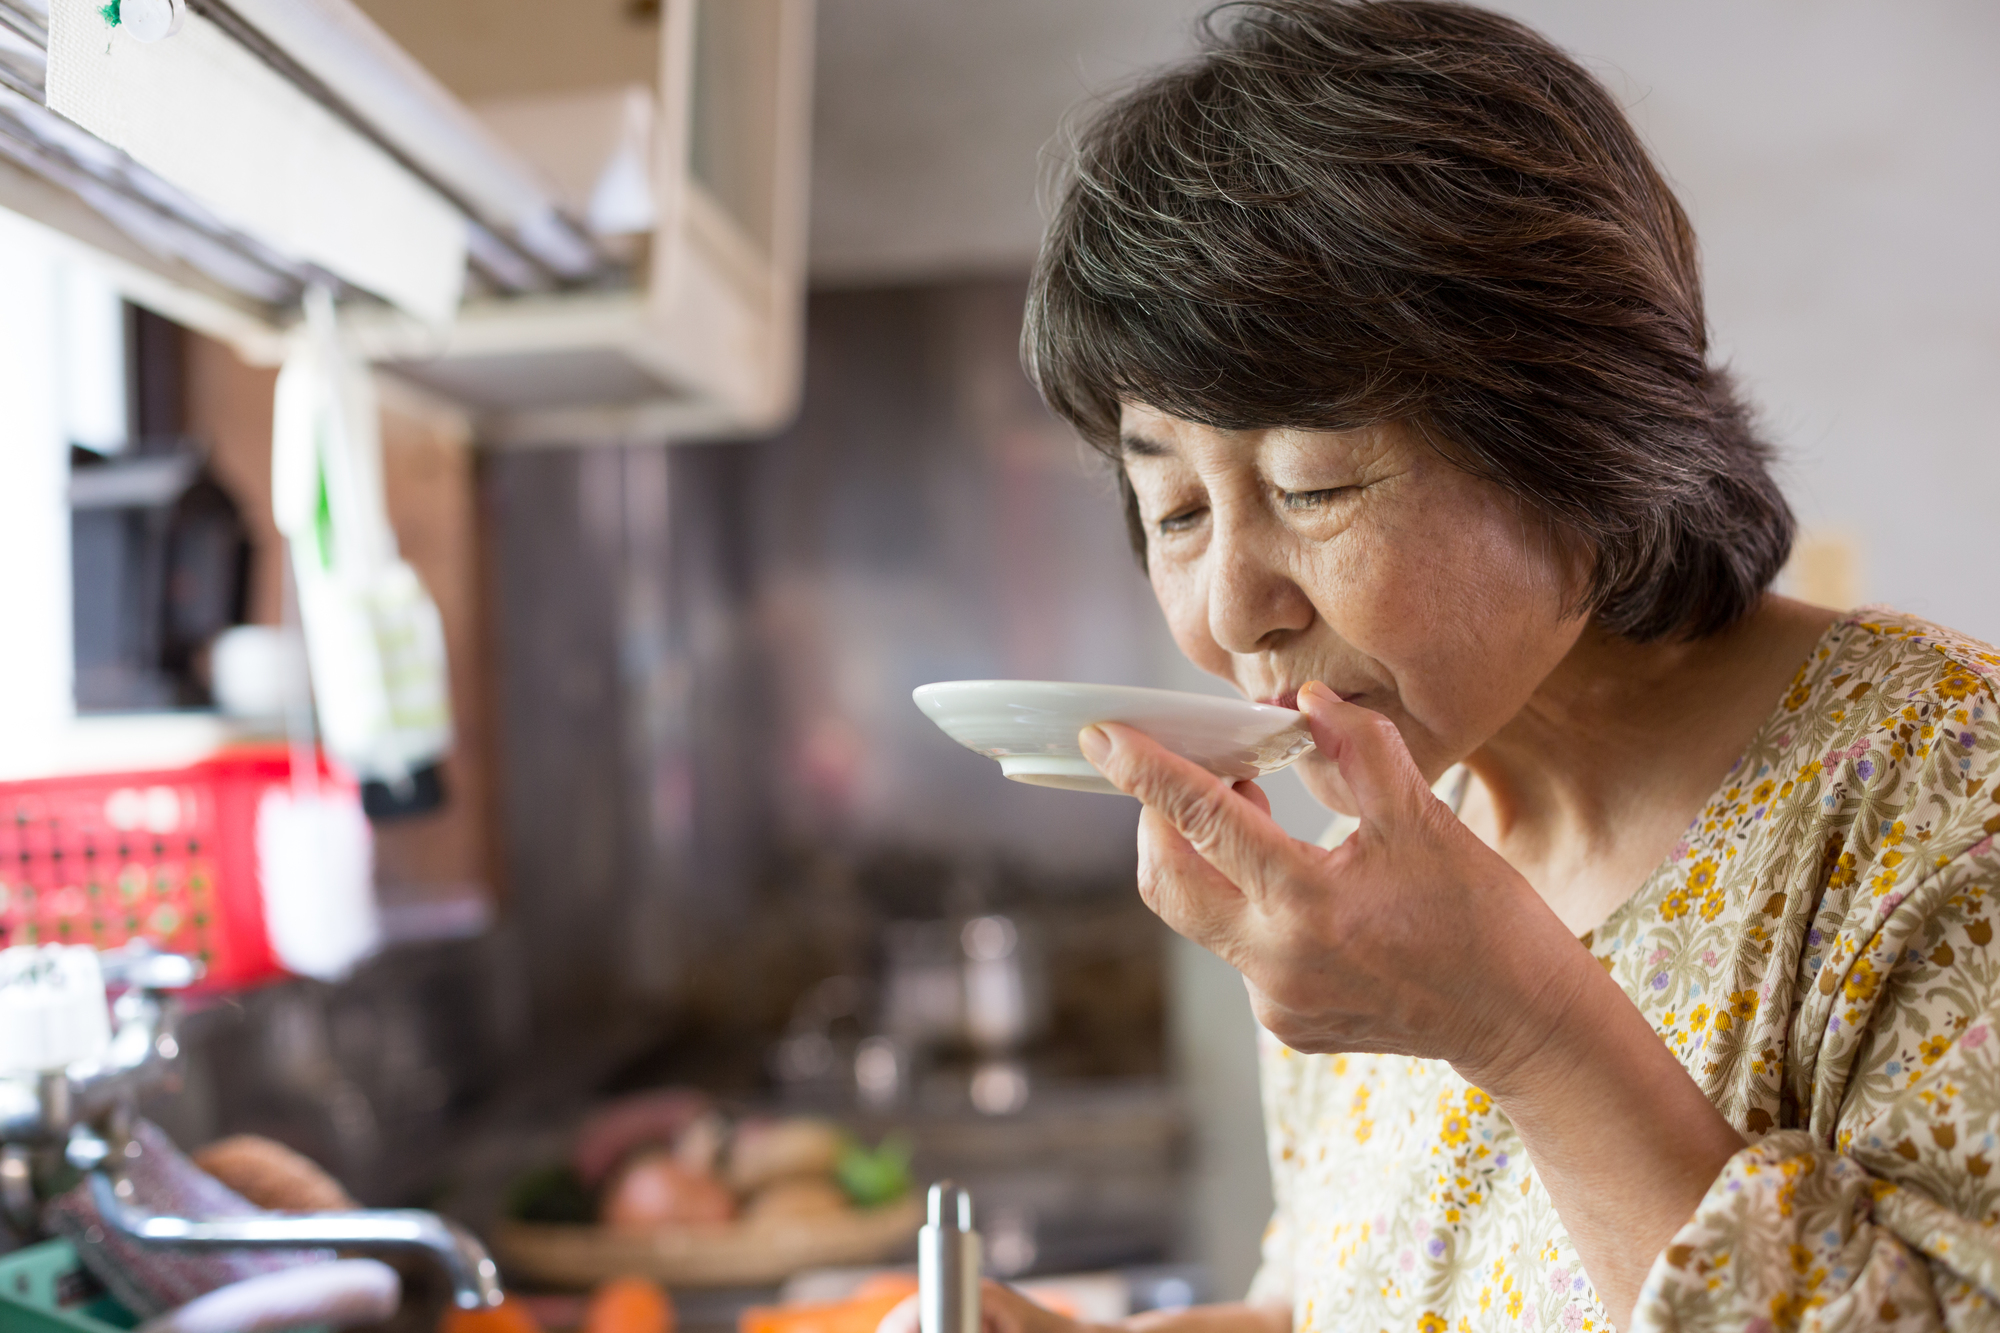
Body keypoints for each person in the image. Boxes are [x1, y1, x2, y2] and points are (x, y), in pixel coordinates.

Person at [883, 2, 2000, 1330]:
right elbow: (1359, 1290)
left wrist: (1518, 1024)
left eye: (1314, 484)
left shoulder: (1939, 806)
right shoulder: (1385, 838)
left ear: (1579, 443)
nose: (1234, 605)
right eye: (1175, 510)